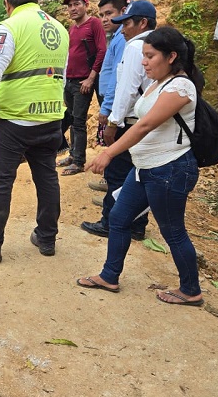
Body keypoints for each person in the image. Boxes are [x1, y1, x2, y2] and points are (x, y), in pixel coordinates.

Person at [78, 26, 204, 307]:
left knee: (173, 231)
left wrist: (109, 153)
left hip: (169, 169)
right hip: (145, 167)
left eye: (150, 56)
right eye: (143, 56)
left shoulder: (181, 87)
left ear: (171, 56)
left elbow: (145, 125)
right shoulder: (159, 82)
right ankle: (109, 276)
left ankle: (191, 290)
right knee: (119, 218)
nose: (144, 62)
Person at [0, 0, 67, 263]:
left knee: (1, 183)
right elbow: (62, 75)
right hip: (50, 118)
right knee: (47, 178)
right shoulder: (60, 29)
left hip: (13, 120)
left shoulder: (9, 26)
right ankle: (47, 239)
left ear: (7, 3)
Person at [81, 0, 157, 242]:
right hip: (148, 122)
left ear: (142, 23)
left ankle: (110, 222)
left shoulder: (135, 48)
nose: (123, 29)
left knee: (117, 173)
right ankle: (137, 224)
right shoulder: (156, 45)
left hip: (130, 122)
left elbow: (126, 90)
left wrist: (113, 123)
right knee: (138, 174)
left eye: (127, 23)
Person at [58, 0, 106, 176]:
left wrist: (91, 78)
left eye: (77, 4)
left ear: (86, 5)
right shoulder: (72, 28)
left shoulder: (94, 24)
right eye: (70, 6)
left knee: (78, 121)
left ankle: (78, 161)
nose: (72, 8)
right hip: (69, 80)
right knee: (71, 118)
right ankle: (72, 154)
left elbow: (101, 51)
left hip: (83, 82)